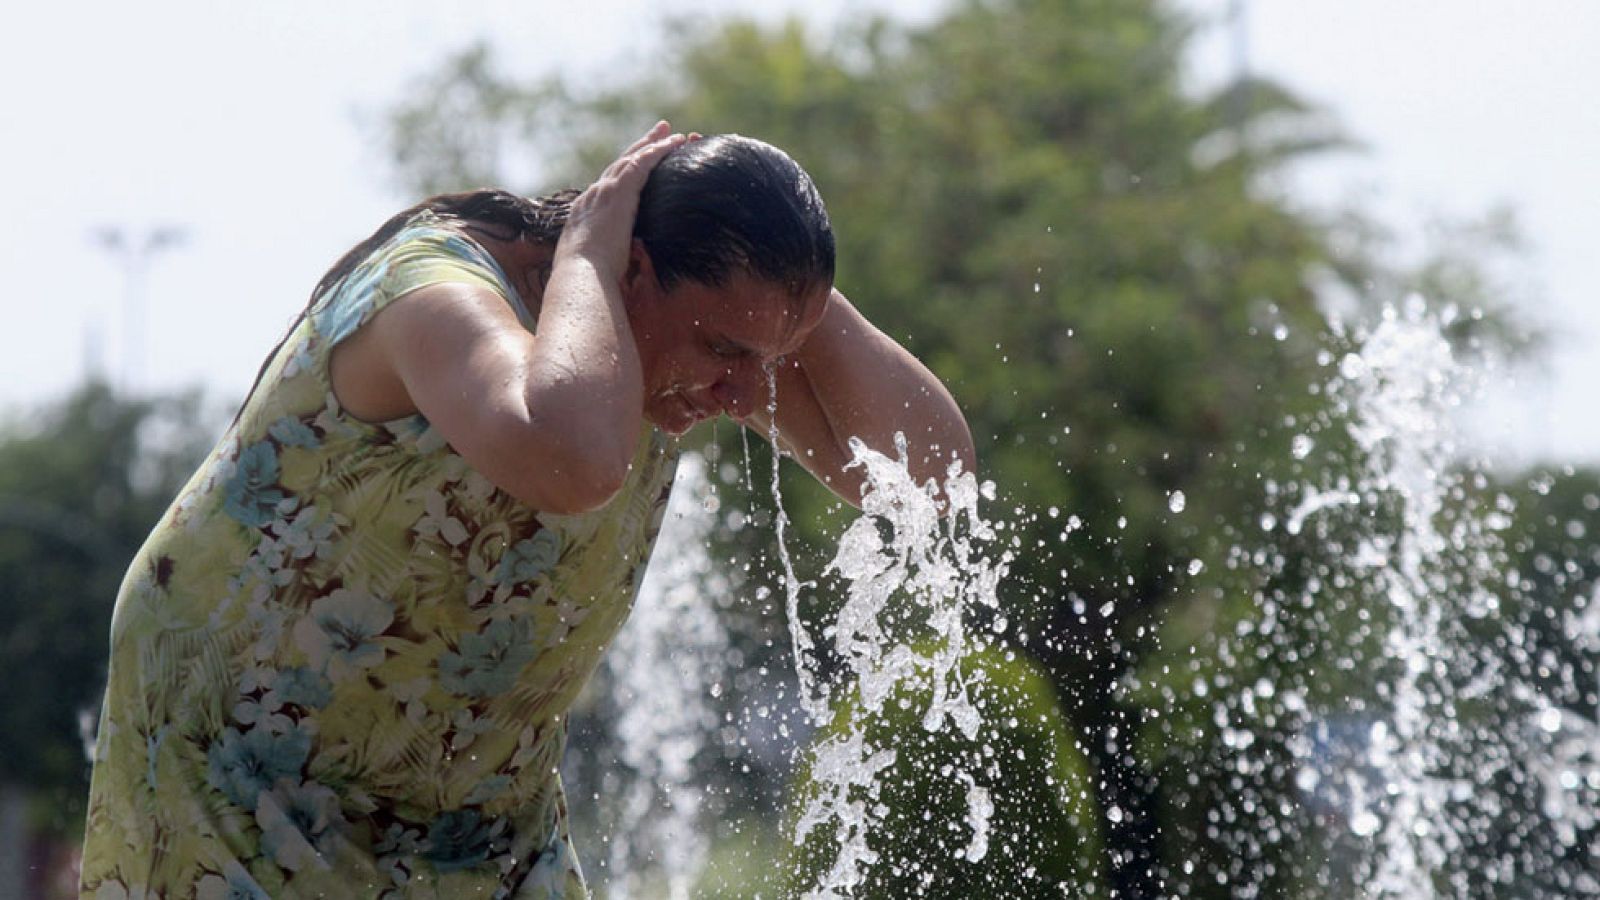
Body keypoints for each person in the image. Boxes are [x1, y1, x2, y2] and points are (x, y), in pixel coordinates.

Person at [79, 122, 974, 898]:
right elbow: (572, 457)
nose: (743, 392)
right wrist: (588, 249)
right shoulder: (432, 293)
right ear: (632, 269)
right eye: (722, 347)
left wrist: (794, 298)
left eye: (764, 356)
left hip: (472, 806)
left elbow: (929, 476)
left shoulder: (683, 345)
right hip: (238, 770)